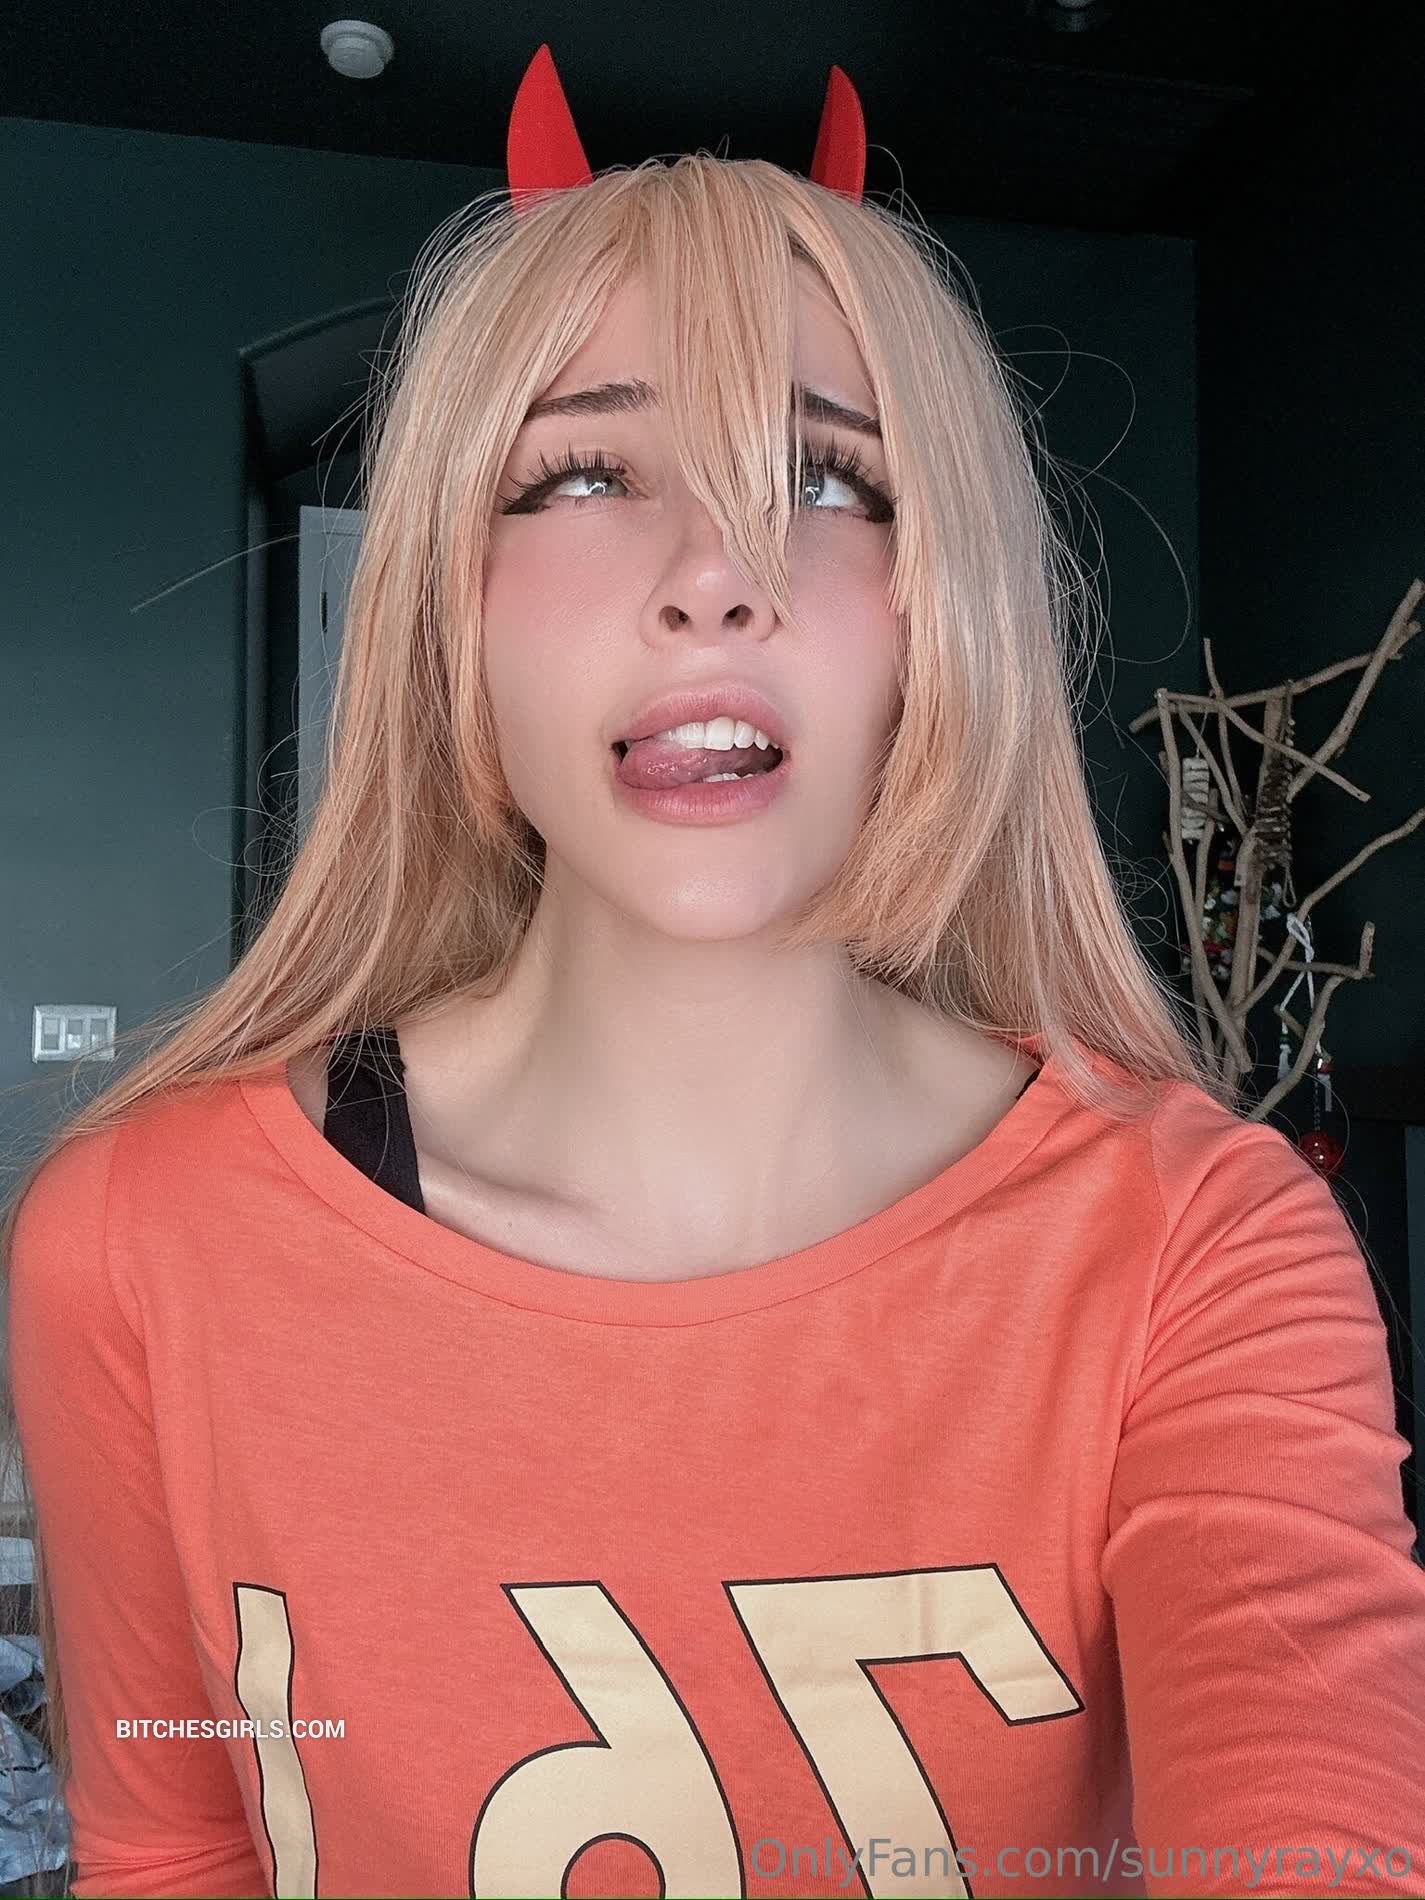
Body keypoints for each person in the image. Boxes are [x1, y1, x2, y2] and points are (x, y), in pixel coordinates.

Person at [5, 42, 1425, 1900]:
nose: (716, 574)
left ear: (941, 614)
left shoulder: (1197, 1247)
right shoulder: (135, 1241)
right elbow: (178, 1844)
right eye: (584, 471)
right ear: (448, 606)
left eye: (829, 479)